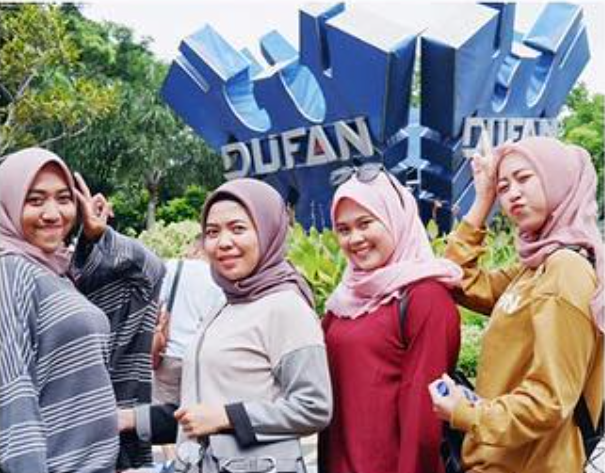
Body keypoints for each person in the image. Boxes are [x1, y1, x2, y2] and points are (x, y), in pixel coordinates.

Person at [119, 178, 332, 473]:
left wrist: (227, 417)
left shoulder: (286, 306)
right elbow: (200, 412)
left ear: (267, 231)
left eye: (238, 228)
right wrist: (130, 419)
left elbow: (314, 406)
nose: (223, 242)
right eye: (212, 232)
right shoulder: (224, 306)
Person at [428, 136, 604, 473]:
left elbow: (549, 401)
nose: (512, 194)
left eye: (524, 178)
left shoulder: (564, 270)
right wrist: (483, 199)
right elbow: (456, 277)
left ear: (557, 179)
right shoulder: (535, 268)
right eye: (504, 187)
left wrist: (465, 412)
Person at [0, 147, 165, 472]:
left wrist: (97, 235)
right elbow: (12, 387)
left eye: (63, 199)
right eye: (35, 201)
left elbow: (148, 275)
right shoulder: (10, 270)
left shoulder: (59, 273)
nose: (52, 213)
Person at [319, 164, 463, 473]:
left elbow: (423, 419)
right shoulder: (344, 299)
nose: (355, 238)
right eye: (343, 229)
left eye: (365, 223)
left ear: (395, 219)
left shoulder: (426, 298)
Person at [152, 237, 225, 406]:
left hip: (168, 353)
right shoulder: (219, 279)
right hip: (198, 357)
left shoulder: (174, 267)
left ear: (195, 249)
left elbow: (156, 305)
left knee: (161, 409)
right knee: (192, 409)